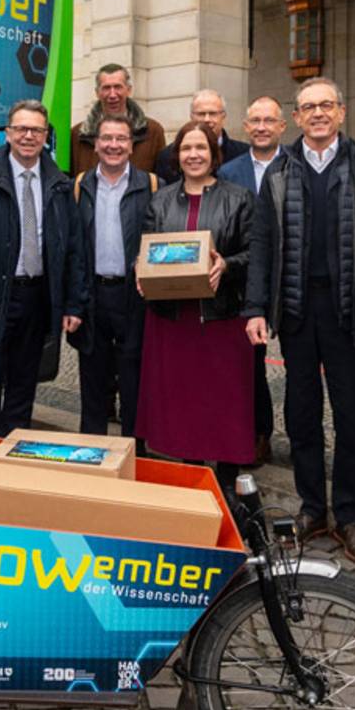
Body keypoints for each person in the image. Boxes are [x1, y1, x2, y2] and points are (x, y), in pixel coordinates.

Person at [245, 77, 355, 566]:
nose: (317, 113)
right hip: (295, 312)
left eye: (326, 105)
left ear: (341, 112)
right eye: (308, 107)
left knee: (351, 415)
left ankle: (349, 516)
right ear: (296, 118)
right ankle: (313, 508)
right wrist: (254, 308)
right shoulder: (278, 171)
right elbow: (262, 246)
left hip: (348, 313)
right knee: (302, 413)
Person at [135, 123, 257, 492]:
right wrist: (139, 271)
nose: (193, 155)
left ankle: (227, 484)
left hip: (221, 318)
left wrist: (227, 265)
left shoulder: (239, 198)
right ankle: (190, 477)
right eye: (186, 148)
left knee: (223, 404)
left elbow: (256, 253)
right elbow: (146, 250)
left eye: (201, 147)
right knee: (185, 404)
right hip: (174, 321)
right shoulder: (161, 200)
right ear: (177, 155)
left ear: (213, 153)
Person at [0, 99, 86, 435]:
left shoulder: (60, 185)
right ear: (8, 133)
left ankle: (12, 459)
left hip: (38, 299)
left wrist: (72, 303)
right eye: (21, 129)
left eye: (36, 130)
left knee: (23, 387)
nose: (28, 135)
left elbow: (74, 249)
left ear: (46, 136)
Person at [70, 111, 156, 437]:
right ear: (96, 144)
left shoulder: (150, 185)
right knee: (92, 381)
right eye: (107, 138)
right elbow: (71, 249)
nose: (114, 145)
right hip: (92, 296)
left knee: (134, 378)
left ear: (132, 145)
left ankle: (136, 452)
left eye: (121, 139)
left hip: (133, 297)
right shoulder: (78, 186)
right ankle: (92, 453)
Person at [219, 95, 287, 466]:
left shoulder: (296, 165)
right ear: (245, 127)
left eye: (269, 120)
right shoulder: (229, 171)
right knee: (248, 364)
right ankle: (256, 434)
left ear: (282, 126)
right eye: (255, 121)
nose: (261, 127)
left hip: (289, 280)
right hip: (244, 282)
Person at [70, 63, 167, 174]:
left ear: (129, 90)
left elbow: (162, 181)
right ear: (97, 93)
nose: (112, 94)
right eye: (106, 88)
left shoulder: (153, 131)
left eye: (118, 87)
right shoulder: (78, 135)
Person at [153, 89, 249, 183]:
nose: (207, 119)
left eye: (213, 113)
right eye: (201, 114)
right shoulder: (168, 156)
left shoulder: (244, 153)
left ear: (223, 116)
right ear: (191, 116)